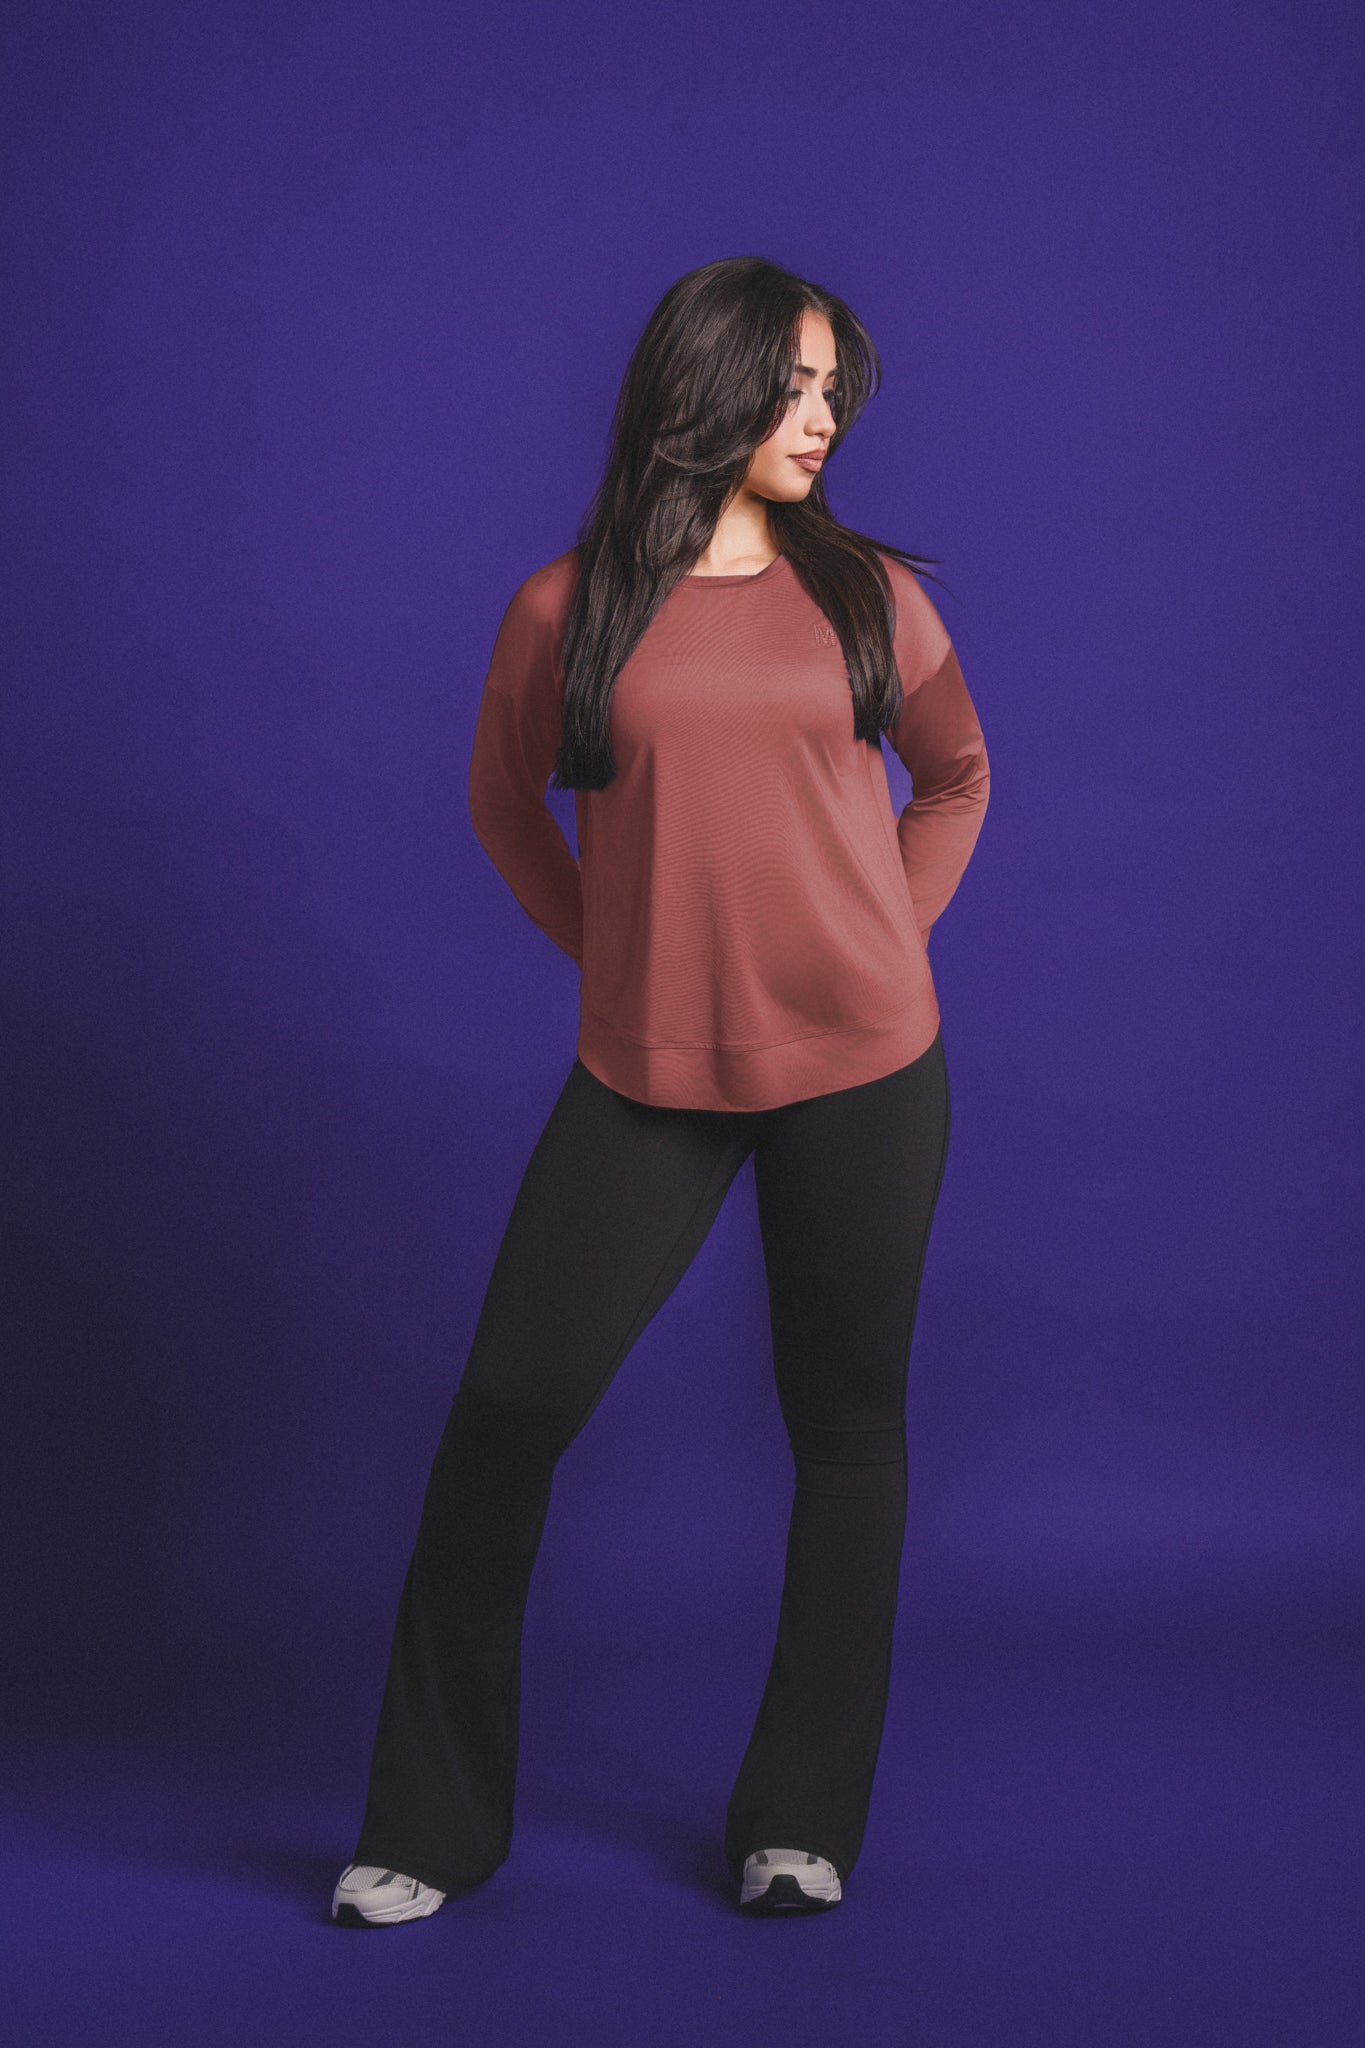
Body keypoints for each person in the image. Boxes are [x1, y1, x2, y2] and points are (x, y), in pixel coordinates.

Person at [331, 255, 990, 1925]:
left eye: (833, 389)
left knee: (847, 1434)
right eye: (793, 386)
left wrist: (876, 942)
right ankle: (427, 1830)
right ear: (704, 388)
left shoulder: (872, 597)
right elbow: (503, 809)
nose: (822, 418)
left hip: (867, 1069)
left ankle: (798, 1824)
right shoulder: (564, 610)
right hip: (646, 1075)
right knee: (505, 1417)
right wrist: (624, 959)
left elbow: (956, 775)